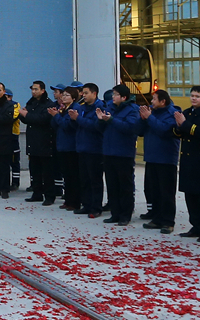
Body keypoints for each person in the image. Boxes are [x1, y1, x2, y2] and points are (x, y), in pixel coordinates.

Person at [172, 85, 200, 242]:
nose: (193, 98)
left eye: (197, 96)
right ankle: (196, 226)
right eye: (192, 95)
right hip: (187, 158)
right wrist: (179, 127)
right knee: (190, 194)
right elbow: (178, 132)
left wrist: (185, 125)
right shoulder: (187, 112)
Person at [96, 84, 140, 226]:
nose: (113, 97)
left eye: (115, 95)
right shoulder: (110, 108)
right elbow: (100, 129)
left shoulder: (133, 110)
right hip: (108, 151)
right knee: (112, 184)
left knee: (125, 185)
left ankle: (125, 214)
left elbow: (130, 128)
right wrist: (100, 120)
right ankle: (115, 213)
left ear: (123, 97)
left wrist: (111, 120)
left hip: (124, 153)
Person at [138, 90, 181, 234]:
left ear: (163, 101)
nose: (151, 102)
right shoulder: (152, 113)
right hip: (151, 157)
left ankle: (168, 221)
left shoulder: (172, 114)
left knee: (166, 192)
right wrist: (142, 119)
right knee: (154, 190)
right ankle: (156, 218)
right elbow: (140, 131)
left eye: (154, 99)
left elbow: (164, 130)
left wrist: (149, 117)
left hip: (166, 158)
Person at [20, 81, 57, 205]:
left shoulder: (48, 104)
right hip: (32, 141)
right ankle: (37, 193)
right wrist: (22, 115)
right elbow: (28, 119)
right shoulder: (31, 102)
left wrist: (27, 114)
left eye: (36, 89)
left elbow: (42, 119)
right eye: (32, 89)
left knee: (46, 171)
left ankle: (49, 196)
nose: (34, 91)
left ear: (42, 90)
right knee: (34, 170)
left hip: (45, 141)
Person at [74, 83, 105, 218]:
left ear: (94, 93)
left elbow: (95, 126)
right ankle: (86, 205)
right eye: (82, 93)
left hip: (94, 149)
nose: (83, 95)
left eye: (86, 93)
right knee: (84, 179)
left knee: (95, 180)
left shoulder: (100, 108)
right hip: (82, 147)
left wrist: (78, 119)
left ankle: (96, 207)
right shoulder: (81, 108)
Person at [51, 86, 81, 210]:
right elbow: (54, 125)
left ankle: (75, 202)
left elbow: (66, 125)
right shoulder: (63, 108)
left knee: (73, 176)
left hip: (71, 146)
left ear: (73, 98)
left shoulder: (74, 109)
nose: (63, 97)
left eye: (66, 95)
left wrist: (57, 116)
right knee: (66, 176)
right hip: (62, 145)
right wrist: (56, 114)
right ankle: (68, 200)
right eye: (63, 95)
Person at [4, 89, 22, 191]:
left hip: (13, 135)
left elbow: (12, 117)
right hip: (2, 136)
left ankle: (15, 182)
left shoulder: (15, 105)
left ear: (10, 97)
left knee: (14, 160)